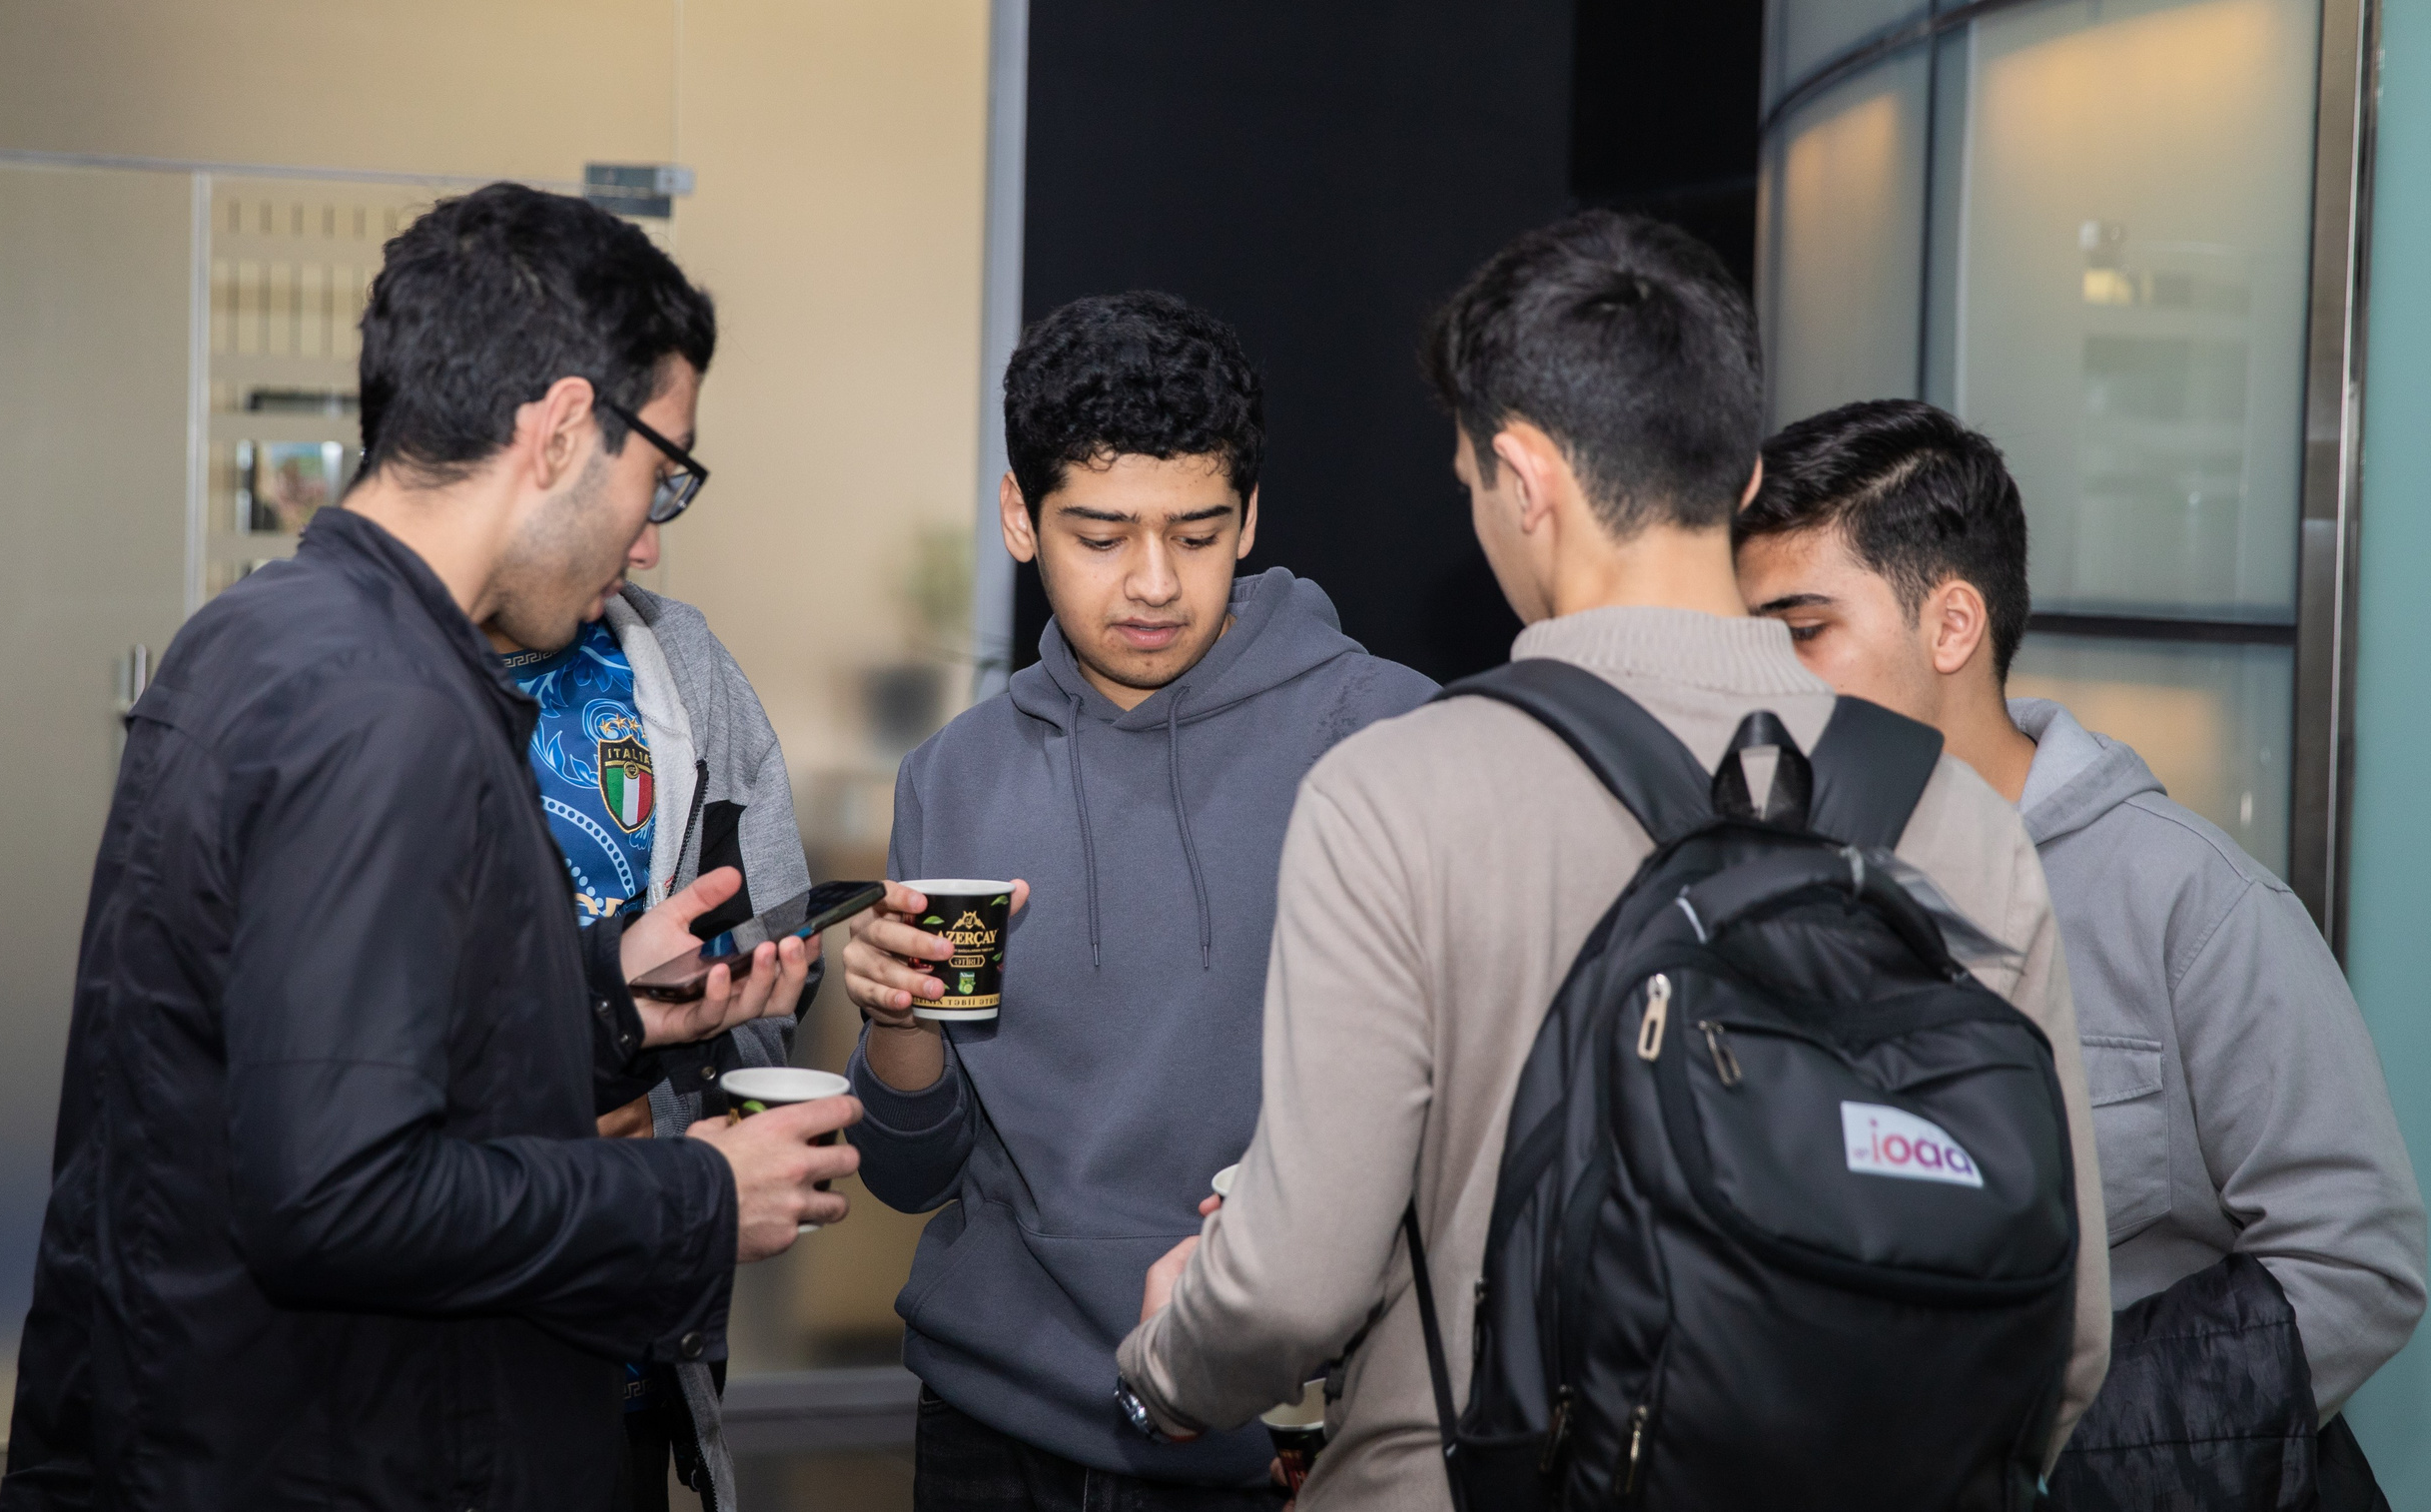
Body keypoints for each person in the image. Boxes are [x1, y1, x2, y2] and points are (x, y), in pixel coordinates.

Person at [1113, 214, 2110, 1506]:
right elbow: (2065, 1333)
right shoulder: (1958, 813)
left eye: (1471, 479)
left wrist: (1164, 1366)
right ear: (1744, 480)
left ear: (1524, 475)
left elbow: (1289, 1288)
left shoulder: (1395, 794)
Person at [0, 183, 859, 1512]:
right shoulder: (386, 707)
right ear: (560, 429)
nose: (649, 535)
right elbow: (339, 1195)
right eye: (661, 472)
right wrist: (695, 1195)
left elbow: (311, 1052)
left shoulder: (267, 634)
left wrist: (607, 1006)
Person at [1732, 399, 2426, 1470]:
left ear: (1952, 626)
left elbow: (2358, 1258)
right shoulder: (1762, 892)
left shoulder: (2188, 901)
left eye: (1802, 630)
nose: (1763, 679)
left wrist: (2057, 1456)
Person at [836, 291, 1436, 1509]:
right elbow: (910, 1172)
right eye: (1102, 536)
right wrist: (896, 1020)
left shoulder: (1383, 735)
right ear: (1021, 517)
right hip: (988, 1416)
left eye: (1196, 534)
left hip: (1263, 1421)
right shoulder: (956, 776)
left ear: (1248, 518)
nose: (1153, 583)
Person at [491, 513, 816, 1507]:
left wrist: (694, 1089)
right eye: (632, 500)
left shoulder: (681, 664)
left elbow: (763, 932)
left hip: (632, 1301)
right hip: (433, 1322)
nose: (647, 549)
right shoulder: (374, 688)